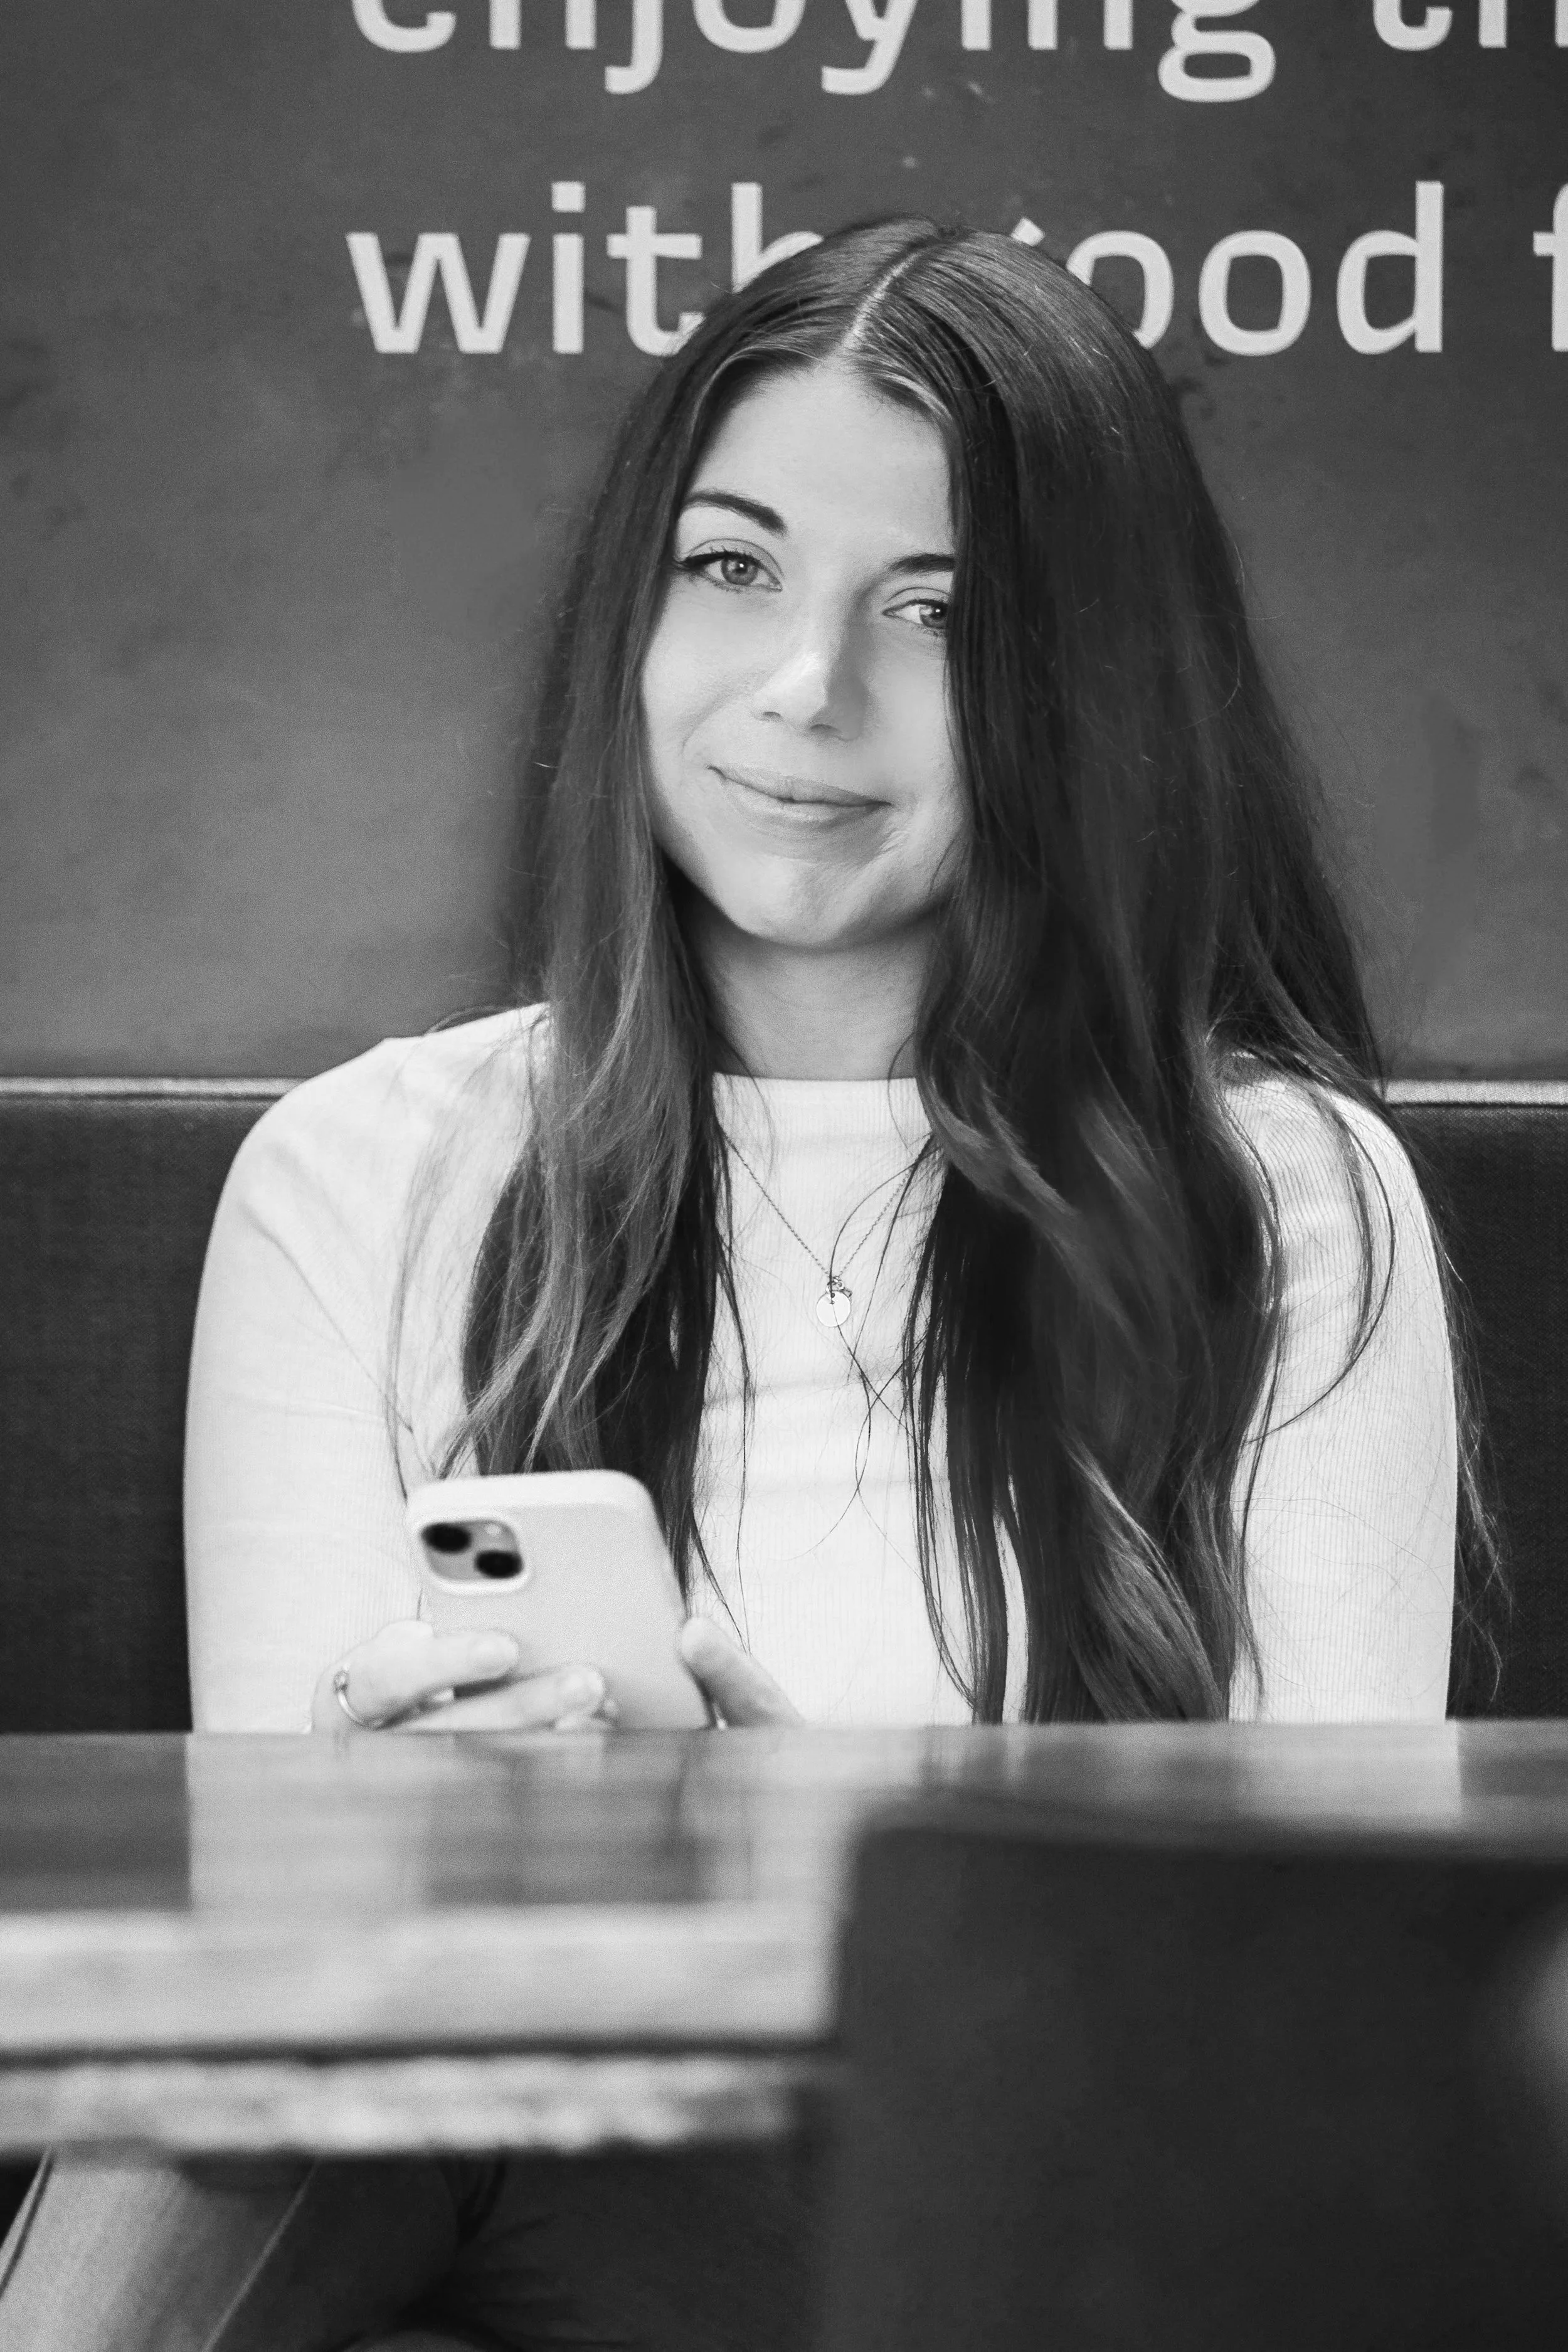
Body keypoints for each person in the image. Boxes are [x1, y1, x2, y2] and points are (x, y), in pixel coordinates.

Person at [0, 216, 1495, 2348]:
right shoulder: (361, 1172)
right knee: (213, 2093)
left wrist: (753, 1802)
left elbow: (1316, 1941)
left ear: (1085, 685)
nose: (810, 688)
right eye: (734, 567)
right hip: (461, 2125)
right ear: (639, 613)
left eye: (937, 610)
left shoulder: (1277, 1188)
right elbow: (288, 1978)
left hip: (988, 2157)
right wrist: (366, 1794)